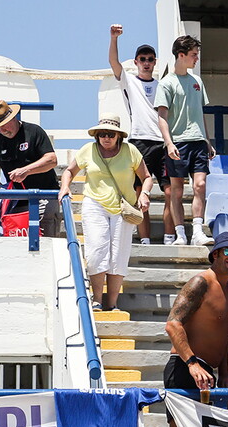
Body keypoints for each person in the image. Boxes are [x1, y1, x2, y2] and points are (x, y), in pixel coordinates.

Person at [58, 114, 152, 311]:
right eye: (102, 134)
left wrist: (144, 194)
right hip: (94, 204)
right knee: (96, 252)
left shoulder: (130, 151)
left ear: (118, 136)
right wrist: (65, 187)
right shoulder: (88, 150)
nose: (106, 138)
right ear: (97, 136)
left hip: (122, 207)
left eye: (110, 134)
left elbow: (146, 177)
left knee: (118, 255)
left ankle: (112, 303)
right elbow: (69, 171)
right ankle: (97, 299)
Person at [165, 231, 228, 427]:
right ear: (216, 254)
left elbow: (224, 334)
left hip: (208, 374)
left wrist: (225, 373)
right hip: (184, 368)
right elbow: (173, 325)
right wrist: (192, 364)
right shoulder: (200, 282)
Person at [108, 24, 170, 245]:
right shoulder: (129, 81)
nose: (146, 62)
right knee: (137, 191)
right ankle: (144, 238)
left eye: (150, 59)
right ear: (136, 62)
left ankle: (170, 237)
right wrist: (114, 38)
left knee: (170, 192)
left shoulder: (163, 85)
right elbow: (114, 63)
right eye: (142, 59)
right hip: (139, 142)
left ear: (155, 62)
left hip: (162, 143)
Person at [155, 35, 215, 246]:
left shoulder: (197, 81)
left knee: (200, 185)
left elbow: (200, 112)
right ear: (181, 55)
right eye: (193, 55)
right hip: (177, 143)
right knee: (177, 190)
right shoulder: (166, 83)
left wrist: (207, 140)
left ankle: (198, 232)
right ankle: (181, 234)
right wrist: (169, 143)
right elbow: (162, 117)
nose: (196, 59)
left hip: (198, 142)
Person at [0, 100, 62, 237]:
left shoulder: (34, 131)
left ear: (13, 118)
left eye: (4, 125)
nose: (2, 130)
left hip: (43, 197)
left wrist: (26, 171)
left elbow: (51, 160)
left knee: (45, 242)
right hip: (15, 201)